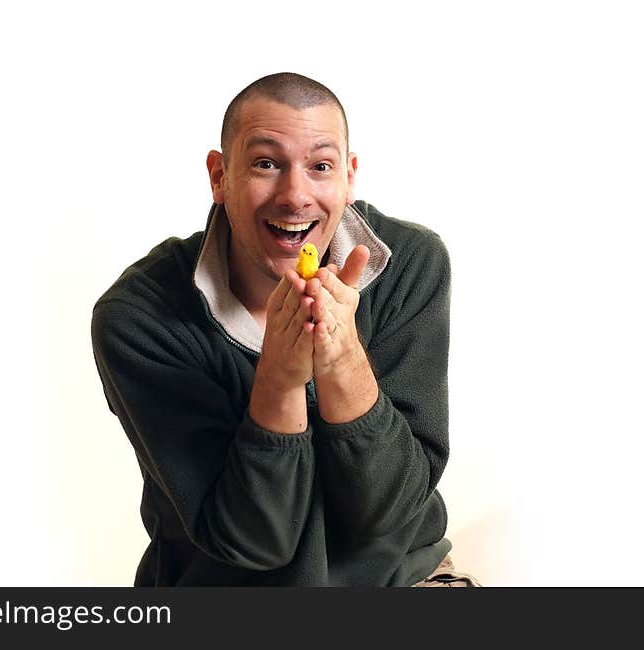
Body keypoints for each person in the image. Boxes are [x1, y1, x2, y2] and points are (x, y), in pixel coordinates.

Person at [91, 72, 477, 586]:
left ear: (349, 175)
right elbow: (254, 541)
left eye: (320, 166)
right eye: (266, 164)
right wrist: (279, 379)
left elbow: (390, 513)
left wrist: (342, 361)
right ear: (219, 177)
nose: (295, 195)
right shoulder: (140, 317)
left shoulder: (410, 266)